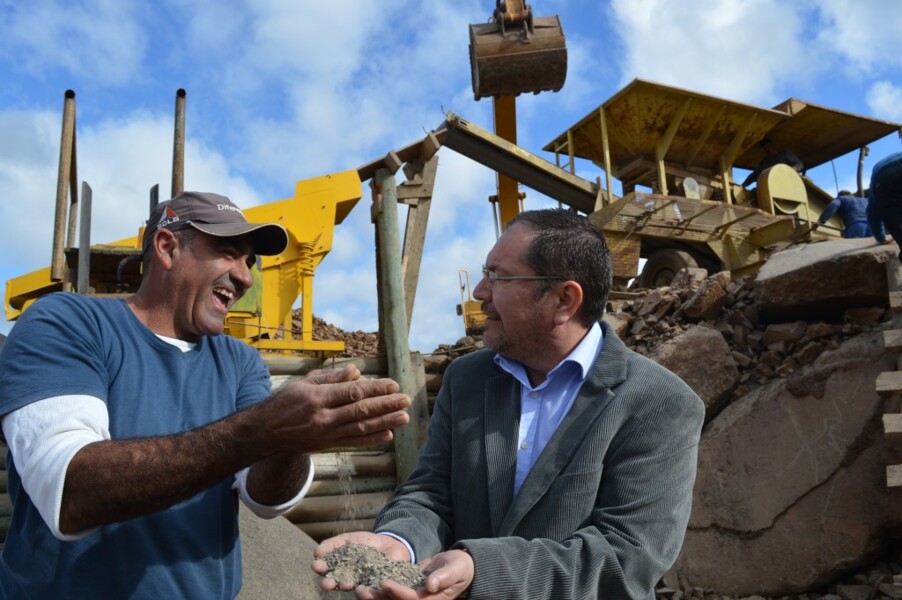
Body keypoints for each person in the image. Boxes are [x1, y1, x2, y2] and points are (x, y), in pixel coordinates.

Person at [0, 191, 412, 598]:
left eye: (249, 262)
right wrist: (263, 430)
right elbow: (70, 492)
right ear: (167, 247)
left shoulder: (240, 361)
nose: (247, 276)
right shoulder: (68, 323)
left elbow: (265, 500)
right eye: (229, 252)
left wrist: (291, 443)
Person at [312, 208, 705, 600]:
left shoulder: (659, 404)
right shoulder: (467, 379)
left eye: (498, 276)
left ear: (564, 299)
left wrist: (481, 568)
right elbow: (431, 493)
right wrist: (400, 541)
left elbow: (625, 560)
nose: (480, 292)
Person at [866, 151, 902, 256]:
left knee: (895, 217)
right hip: (884, 173)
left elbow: (872, 213)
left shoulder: (874, 187)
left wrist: (881, 238)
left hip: (884, 176)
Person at [740, 137, 804, 188]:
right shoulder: (764, 162)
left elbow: (800, 164)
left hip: (788, 185)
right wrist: (743, 185)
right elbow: (753, 175)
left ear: (772, 145)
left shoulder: (784, 154)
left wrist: (791, 170)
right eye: (764, 148)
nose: (767, 149)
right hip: (772, 188)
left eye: (768, 146)